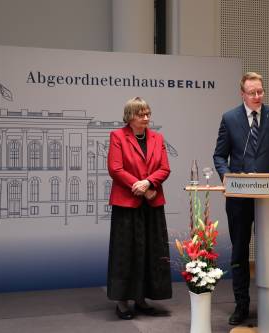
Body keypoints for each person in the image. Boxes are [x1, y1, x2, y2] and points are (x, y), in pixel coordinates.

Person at [213, 72, 269, 325]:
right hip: (239, 197)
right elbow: (219, 156)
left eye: (260, 91)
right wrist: (228, 179)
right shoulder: (230, 118)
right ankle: (241, 305)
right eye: (252, 92)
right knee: (239, 251)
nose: (257, 96)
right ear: (242, 94)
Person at [107, 97, 172, 320]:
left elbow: (165, 168)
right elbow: (115, 169)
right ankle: (122, 302)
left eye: (147, 114)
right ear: (130, 117)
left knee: (151, 252)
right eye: (141, 114)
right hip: (128, 203)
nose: (146, 118)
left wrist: (149, 183)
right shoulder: (117, 136)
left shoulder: (157, 138)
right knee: (126, 253)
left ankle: (142, 299)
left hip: (152, 204)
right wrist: (144, 188)